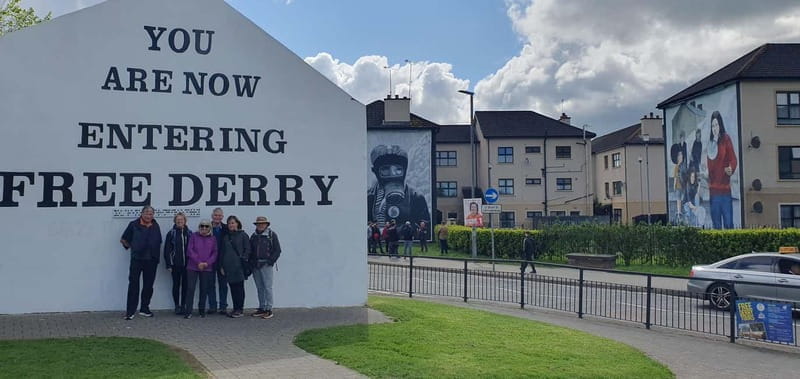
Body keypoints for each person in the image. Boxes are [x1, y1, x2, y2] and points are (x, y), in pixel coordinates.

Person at [367, 144, 431, 227]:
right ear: (375, 171)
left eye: (398, 169)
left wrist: (404, 229)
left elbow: (425, 226)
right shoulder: (369, 197)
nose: (392, 174)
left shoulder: (415, 197)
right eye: (385, 169)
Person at [120, 205, 162, 320]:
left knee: (148, 286)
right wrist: (134, 248)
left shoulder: (155, 225)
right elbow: (123, 239)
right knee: (134, 285)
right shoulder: (133, 224)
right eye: (147, 213)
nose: (149, 215)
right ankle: (130, 312)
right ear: (142, 213)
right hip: (137, 259)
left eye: (151, 214)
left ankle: (144, 309)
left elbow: (159, 241)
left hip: (152, 260)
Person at [706, 111, 737, 229]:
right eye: (712, 126)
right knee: (717, 225)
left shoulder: (726, 139)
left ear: (720, 125)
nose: (715, 128)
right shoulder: (710, 144)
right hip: (714, 192)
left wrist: (731, 168)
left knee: (729, 224)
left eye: (716, 125)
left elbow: (733, 159)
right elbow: (710, 168)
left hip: (725, 191)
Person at [184, 219, 218, 319]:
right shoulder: (193, 236)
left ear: (209, 228)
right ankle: (188, 311)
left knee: (204, 289)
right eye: (202, 226)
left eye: (206, 226)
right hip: (193, 266)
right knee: (190, 289)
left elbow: (215, 253)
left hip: (206, 267)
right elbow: (190, 250)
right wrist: (198, 262)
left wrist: (207, 263)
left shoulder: (213, 238)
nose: (204, 228)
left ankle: (201, 310)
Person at [249, 216, 282, 319]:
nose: (260, 225)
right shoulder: (253, 236)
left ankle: (269, 309)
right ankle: (262, 307)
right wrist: (251, 262)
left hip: (266, 265)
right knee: (260, 287)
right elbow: (250, 250)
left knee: (267, 287)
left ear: (266, 224)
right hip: (256, 265)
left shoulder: (271, 235)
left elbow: (277, 250)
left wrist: (270, 262)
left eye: (263, 223)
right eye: (259, 224)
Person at [219, 215, 251, 318]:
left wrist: (243, 260)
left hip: (239, 267)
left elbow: (248, 249)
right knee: (233, 288)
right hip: (228, 267)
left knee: (239, 288)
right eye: (229, 223)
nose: (231, 225)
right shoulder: (226, 237)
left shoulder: (243, 235)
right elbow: (222, 252)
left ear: (237, 223)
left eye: (233, 223)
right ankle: (235, 308)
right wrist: (221, 266)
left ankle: (240, 309)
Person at [163, 212, 192, 315]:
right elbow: (167, 249)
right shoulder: (171, 233)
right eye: (178, 220)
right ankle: (177, 305)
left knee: (185, 286)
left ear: (185, 221)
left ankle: (183, 305)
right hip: (175, 264)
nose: (180, 221)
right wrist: (168, 264)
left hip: (187, 265)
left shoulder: (189, 233)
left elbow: (193, 249)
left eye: (181, 219)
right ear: (175, 221)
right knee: (176, 285)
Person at [207, 207, 228, 314]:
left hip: (223, 260)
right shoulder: (206, 227)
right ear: (212, 216)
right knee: (210, 284)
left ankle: (223, 307)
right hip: (210, 260)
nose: (217, 217)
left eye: (219, 215)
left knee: (223, 284)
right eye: (215, 215)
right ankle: (212, 306)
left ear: (222, 217)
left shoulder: (226, 228)